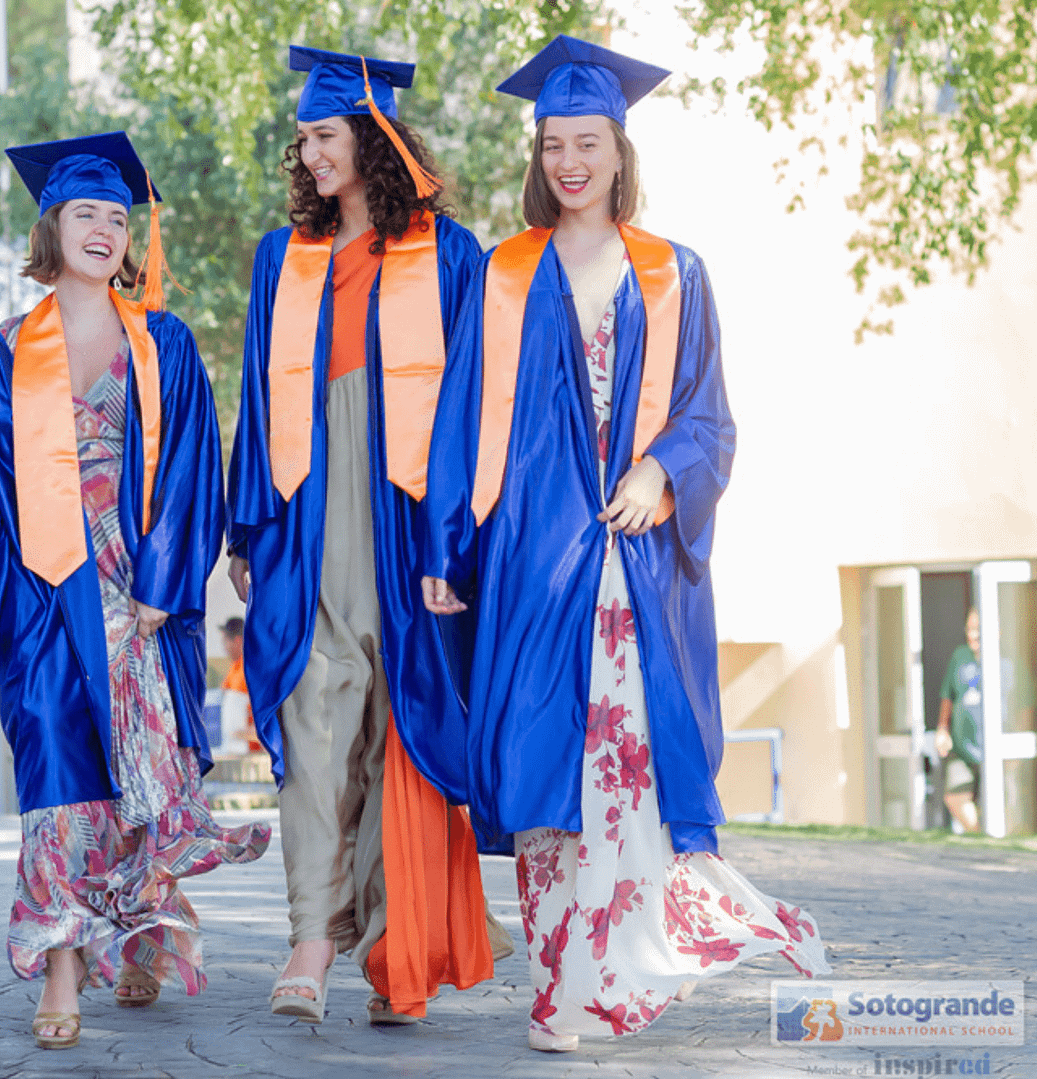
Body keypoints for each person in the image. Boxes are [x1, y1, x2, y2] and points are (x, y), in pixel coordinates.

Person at [419, 36, 831, 1053]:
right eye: (553, 143)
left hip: (638, 569)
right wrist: (443, 547)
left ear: (617, 150)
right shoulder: (504, 273)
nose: (569, 162)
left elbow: (708, 418)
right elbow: (459, 413)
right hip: (531, 558)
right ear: (538, 154)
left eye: (587, 142)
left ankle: (631, 957)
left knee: (628, 766)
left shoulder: (674, 273)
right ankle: (561, 985)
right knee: (542, 766)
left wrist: (662, 471)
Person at [0, 132, 270, 1050]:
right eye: (84, 212)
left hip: (137, 588)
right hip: (44, 591)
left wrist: (169, 580)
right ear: (52, 227)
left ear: (132, 240)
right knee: (55, 756)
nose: (103, 228)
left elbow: (196, 470)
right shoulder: (4, 351)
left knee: (138, 766)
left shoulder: (162, 341)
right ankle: (60, 962)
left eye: (118, 216)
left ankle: (135, 930)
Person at [228, 46, 500, 1026]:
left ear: (373, 139)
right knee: (313, 706)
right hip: (308, 503)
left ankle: (396, 947)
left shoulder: (452, 253)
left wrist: (457, 540)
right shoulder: (282, 259)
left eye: (325, 135)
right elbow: (258, 400)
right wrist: (247, 523)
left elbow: (472, 405)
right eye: (301, 139)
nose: (308, 154)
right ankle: (310, 935)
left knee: (403, 718)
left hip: (413, 507)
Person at [936, 608, 984, 832]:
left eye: (978, 630)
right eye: (969, 629)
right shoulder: (959, 656)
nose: (972, 635)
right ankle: (980, 835)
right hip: (962, 746)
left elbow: (1023, 707)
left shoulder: (1008, 658)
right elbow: (948, 696)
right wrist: (942, 729)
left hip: (993, 751)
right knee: (955, 796)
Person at [218, 617, 259, 754]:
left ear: (237, 640)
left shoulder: (252, 667)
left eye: (225, 642)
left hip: (252, 750)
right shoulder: (235, 666)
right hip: (235, 745)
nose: (224, 647)